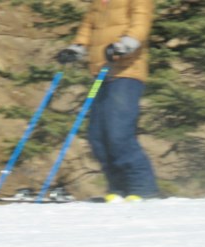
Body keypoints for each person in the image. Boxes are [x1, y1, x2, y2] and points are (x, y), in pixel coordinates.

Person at [56, 0, 159, 202]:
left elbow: (141, 21)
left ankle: (143, 188)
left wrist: (126, 44)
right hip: (100, 73)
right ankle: (118, 188)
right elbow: (89, 25)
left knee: (118, 132)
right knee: (97, 135)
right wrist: (77, 47)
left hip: (126, 72)